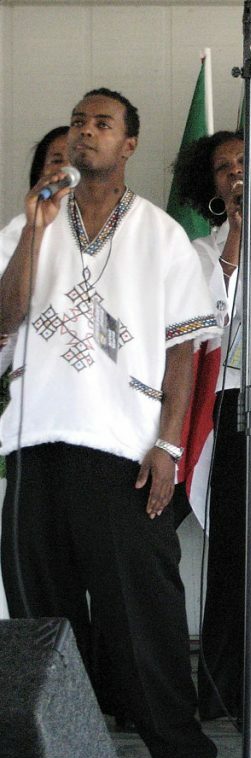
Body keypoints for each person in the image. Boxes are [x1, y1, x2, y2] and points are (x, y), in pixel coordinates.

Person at [0, 88, 220, 758]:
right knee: (44, 618)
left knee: (142, 615)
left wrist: (169, 445)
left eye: (102, 124)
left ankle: (179, 750)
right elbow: (4, 320)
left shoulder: (161, 235)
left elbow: (184, 347)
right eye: (77, 122)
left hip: (123, 452)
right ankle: (64, 745)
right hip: (35, 446)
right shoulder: (24, 226)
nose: (84, 133)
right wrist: (35, 232)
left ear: (127, 146)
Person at [170, 127, 251, 720]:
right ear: (213, 185)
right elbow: (207, 325)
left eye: (245, 163)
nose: (235, 174)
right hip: (229, 398)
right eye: (223, 168)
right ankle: (224, 690)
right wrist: (238, 240)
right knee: (232, 546)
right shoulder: (199, 252)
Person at [0, 124, 68, 621]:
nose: (65, 169)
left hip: (107, 431)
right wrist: (33, 231)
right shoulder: (13, 235)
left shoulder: (135, 233)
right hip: (31, 422)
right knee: (35, 573)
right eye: (54, 160)